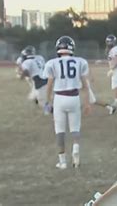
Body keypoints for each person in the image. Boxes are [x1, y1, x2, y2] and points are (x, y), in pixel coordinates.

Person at [43, 36, 91, 169]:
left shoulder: (52, 63)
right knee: (75, 128)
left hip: (59, 97)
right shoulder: (80, 62)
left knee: (60, 130)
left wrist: (47, 101)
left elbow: (49, 84)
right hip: (74, 97)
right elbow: (85, 84)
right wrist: (87, 102)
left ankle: (62, 161)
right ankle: (75, 149)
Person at [105, 35, 117, 107]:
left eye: (110, 41)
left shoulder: (115, 49)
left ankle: (116, 100)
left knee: (115, 85)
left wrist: (112, 69)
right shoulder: (113, 49)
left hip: (116, 68)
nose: (109, 43)